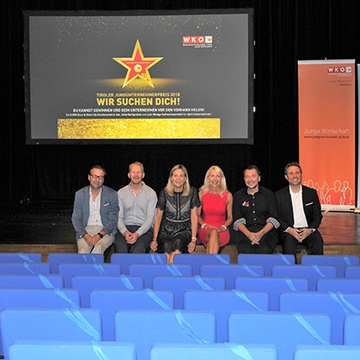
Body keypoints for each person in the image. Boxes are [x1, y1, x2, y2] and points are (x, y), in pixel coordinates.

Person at [150, 164, 200, 263]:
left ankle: (171, 276)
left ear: (185, 178)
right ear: (171, 178)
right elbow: (158, 217)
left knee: (178, 244)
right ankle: (168, 275)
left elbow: (194, 217)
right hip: (166, 230)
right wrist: (154, 239)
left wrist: (193, 240)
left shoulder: (192, 192)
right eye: (175, 175)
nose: (178, 179)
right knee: (166, 247)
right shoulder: (164, 193)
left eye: (181, 176)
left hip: (184, 230)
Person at [275, 161, 323, 261]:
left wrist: (310, 230)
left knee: (317, 241)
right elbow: (277, 217)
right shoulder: (279, 195)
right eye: (291, 173)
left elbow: (317, 216)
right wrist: (289, 229)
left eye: (297, 173)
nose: (294, 176)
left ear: (301, 175)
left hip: (308, 230)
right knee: (288, 244)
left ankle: (316, 271)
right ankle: (292, 273)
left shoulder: (311, 193)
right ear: (286, 177)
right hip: (289, 231)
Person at [232, 165, 280, 254]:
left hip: (266, 232)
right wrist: (249, 235)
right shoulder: (238, 196)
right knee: (246, 251)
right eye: (247, 177)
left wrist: (260, 234)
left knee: (264, 249)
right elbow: (237, 220)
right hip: (245, 232)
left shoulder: (269, 195)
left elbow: (274, 219)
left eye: (253, 176)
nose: (250, 180)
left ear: (259, 178)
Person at [71, 165, 118, 254]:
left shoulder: (112, 194)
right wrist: (85, 235)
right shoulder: (80, 194)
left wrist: (99, 235)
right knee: (83, 252)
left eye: (100, 177)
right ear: (89, 177)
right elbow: (76, 218)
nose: (97, 180)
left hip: (105, 231)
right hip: (86, 230)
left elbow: (113, 219)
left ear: (103, 180)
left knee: (98, 249)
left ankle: (96, 268)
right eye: (94, 176)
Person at [115, 161, 157, 253]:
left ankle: (136, 268)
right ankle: (123, 267)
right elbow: (119, 217)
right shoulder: (120, 193)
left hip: (144, 230)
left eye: (139, 172)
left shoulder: (151, 193)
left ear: (143, 175)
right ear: (129, 175)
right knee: (120, 249)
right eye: (133, 172)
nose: (136, 175)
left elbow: (150, 218)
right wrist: (125, 232)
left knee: (139, 249)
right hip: (125, 228)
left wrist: (138, 233)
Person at [197, 165, 233, 254]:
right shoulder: (201, 194)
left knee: (214, 235)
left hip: (222, 230)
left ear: (221, 179)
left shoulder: (228, 195)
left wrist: (223, 227)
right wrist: (204, 225)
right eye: (212, 176)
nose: (215, 179)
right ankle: (212, 265)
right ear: (208, 178)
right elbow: (197, 215)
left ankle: (209, 264)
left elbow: (230, 217)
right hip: (205, 229)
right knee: (213, 233)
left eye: (218, 176)